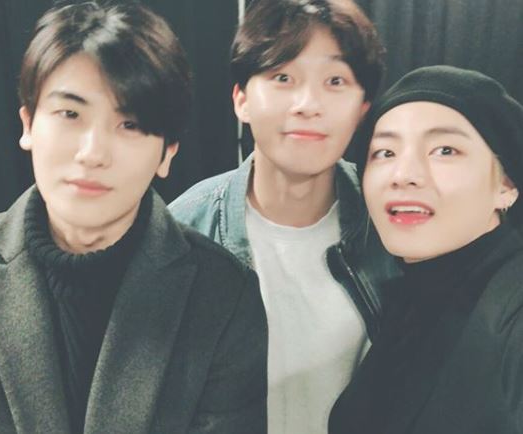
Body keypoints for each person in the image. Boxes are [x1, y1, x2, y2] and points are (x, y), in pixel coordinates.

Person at [0, 2, 267, 433]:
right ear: (28, 123)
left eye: (129, 124)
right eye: (70, 114)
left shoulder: (224, 297)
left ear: (167, 152)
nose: (92, 153)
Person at [169, 0, 397, 432]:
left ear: (363, 107)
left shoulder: (391, 224)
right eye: (283, 77)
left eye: (335, 81)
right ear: (241, 100)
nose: (308, 104)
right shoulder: (182, 231)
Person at [328, 65, 523, 434]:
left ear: (507, 184)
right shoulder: (408, 300)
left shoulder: (513, 311)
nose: (404, 174)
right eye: (385, 152)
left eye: (445, 150)